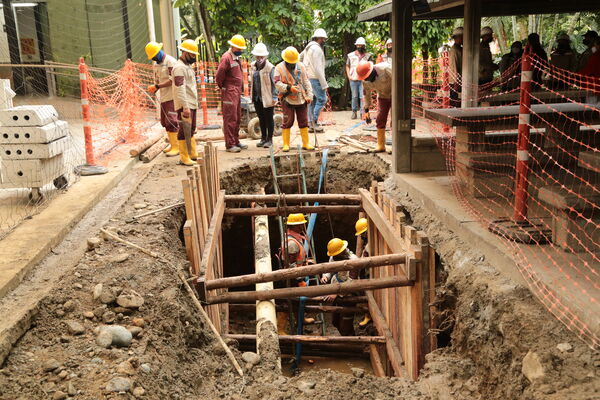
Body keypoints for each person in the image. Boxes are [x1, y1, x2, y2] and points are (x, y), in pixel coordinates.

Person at [276, 213, 315, 334]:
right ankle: (280, 329)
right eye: (302, 223)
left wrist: (306, 262)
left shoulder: (295, 238)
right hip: (292, 278)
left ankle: (301, 319)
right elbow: (290, 266)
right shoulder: (291, 243)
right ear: (298, 225)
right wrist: (299, 280)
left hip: (297, 274)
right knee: (287, 303)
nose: (304, 225)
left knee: (297, 301)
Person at [273, 46, 314, 152]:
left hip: (301, 98)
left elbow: (306, 81)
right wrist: (289, 88)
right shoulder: (279, 68)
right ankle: (286, 144)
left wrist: (310, 95)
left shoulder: (301, 66)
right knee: (287, 121)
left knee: (303, 121)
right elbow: (277, 83)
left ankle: (306, 143)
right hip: (287, 98)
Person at [145, 41, 180, 157]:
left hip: (172, 96)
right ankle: (172, 143)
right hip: (164, 96)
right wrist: (154, 87)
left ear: (159, 51)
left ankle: (177, 146)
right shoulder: (156, 65)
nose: (154, 58)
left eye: (155, 54)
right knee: (165, 122)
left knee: (172, 120)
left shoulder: (170, 62)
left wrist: (158, 86)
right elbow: (157, 79)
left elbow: (173, 80)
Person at [216, 34, 248, 153]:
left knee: (237, 117)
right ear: (233, 46)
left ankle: (236, 140)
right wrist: (223, 87)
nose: (240, 51)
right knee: (230, 117)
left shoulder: (235, 57)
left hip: (236, 91)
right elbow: (219, 75)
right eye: (238, 49)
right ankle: (230, 144)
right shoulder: (226, 58)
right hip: (229, 91)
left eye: (241, 49)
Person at [172, 39, 200, 166]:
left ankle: (192, 152)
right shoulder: (179, 68)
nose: (194, 57)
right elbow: (180, 89)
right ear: (185, 53)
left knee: (191, 128)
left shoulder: (187, 66)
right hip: (186, 104)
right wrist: (185, 107)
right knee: (184, 129)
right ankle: (184, 157)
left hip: (191, 103)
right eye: (192, 55)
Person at [321, 238, 357, 336]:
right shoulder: (334, 257)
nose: (334, 257)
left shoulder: (353, 260)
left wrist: (336, 293)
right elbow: (330, 268)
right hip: (335, 290)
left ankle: (353, 345)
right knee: (335, 322)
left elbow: (351, 281)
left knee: (345, 325)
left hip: (348, 294)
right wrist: (326, 276)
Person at [357, 60, 391, 153]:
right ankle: (381, 145)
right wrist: (366, 110)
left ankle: (397, 145)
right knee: (380, 119)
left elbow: (399, 81)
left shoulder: (385, 68)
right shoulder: (365, 82)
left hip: (396, 95)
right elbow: (366, 94)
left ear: (371, 71)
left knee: (396, 120)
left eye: (367, 76)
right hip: (383, 96)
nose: (366, 79)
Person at [249, 43, 277, 148]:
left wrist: (274, 97)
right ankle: (263, 138)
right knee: (261, 118)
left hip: (267, 96)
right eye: (257, 57)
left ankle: (270, 139)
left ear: (265, 56)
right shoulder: (253, 66)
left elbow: (274, 84)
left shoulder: (270, 68)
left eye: (261, 57)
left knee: (269, 118)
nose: (259, 58)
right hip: (257, 97)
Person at [301, 28, 328, 133]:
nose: (324, 41)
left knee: (313, 101)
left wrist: (303, 71)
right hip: (315, 78)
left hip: (308, 77)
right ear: (320, 38)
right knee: (322, 99)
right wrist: (324, 84)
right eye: (323, 39)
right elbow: (318, 68)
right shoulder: (316, 49)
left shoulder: (308, 48)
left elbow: (299, 57)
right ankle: (314, 122)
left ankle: (311, 123)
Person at [346, 37, 371, 120]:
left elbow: (370, 66)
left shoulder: (367, 56)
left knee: (362, 96)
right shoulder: (351, 55)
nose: (360, 46)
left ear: (364, 46)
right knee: (354, 96)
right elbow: (347, 66)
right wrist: (349, 76)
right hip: (353, 78)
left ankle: (362, 113)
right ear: (356, 45)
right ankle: (354, 112)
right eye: (358, 45)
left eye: (361, 45)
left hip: (364, 79)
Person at [354, 217, 371, 327]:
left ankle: (368, 315)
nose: (362, 236)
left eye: (363, 234)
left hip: (369, 273)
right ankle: (367, 314)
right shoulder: (368, 243)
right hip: (366, 271)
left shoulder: (370, 245)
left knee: (367, 294)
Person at [448, 27, 463, 107]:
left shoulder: (460, 49)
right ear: (458, 37)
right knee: (455, 104)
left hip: (459, 81)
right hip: (456, 83)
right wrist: (456, 83)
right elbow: (454, 67)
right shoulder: (454, 51)